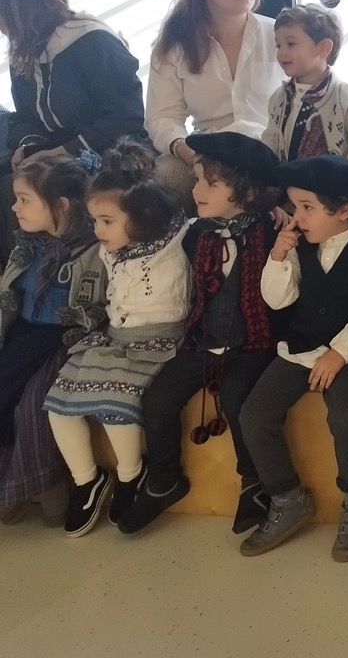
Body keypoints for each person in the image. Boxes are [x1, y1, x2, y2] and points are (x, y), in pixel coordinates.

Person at [118, 133, 287, 536]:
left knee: (237, 397)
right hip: (203, 340)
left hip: (254, 342)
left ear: (247, 192)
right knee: (157, 399)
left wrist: (276, 209)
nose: (197, 191)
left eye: (211, 183)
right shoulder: (196, 233)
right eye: (197, 180)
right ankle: (164, 480)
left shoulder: (271, 229)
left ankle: (254, 483)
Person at [42, 141, 189, 537]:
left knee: (116, 404)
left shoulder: (174, 242)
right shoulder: (112, 249)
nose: (97, 230)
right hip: (114, 339)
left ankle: (130, 476)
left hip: (155, 344)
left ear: (141, 217)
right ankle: (87, 480)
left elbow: (189, 220)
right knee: (58, 406)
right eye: (94, 220)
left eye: (107, 221)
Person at [238, 155, 348, 559]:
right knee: (254, 416)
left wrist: (339, 354)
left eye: (307, 207)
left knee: (347, 416)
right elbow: (278, 299)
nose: (297, 217)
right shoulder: (301, 245)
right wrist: (278, 257)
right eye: (295, 206)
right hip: (300, 349)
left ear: (344, 210)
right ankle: (287, 498)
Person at [0, 0, 148, 260]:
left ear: (15, 8)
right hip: (54, 152)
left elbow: (126, 116)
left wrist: (60, 152)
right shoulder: (25, 51)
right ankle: (21, 275)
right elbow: (25, 117)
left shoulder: (91, 39)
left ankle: (51, 271)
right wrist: (30, 147)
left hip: (108, 149)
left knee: (18, 190)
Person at [0, 156, 107, 524]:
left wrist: (82, 322)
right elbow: (9, 294)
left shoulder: (92, 250)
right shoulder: (28, 247)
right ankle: (11, 482)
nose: (14, 208)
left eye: (24, 199)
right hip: (26, 335)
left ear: (60, 205)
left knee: (34, 402)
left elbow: (100, 306)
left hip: (62, 342)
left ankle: (48, 482)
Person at [146, 0, 279, 198]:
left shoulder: (279, 35)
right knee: (167, 172)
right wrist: (189, 154)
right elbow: (162, 117)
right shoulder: (172, 47)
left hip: (271, 148)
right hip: (208, 151)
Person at [261, 4, 348, 168]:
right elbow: (271, 138)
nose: (281, 52)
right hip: (287, 179)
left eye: (291, 44)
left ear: (324, 48)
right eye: (278, 45)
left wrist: (343, 175)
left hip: (336, 182)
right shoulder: (278, 98)